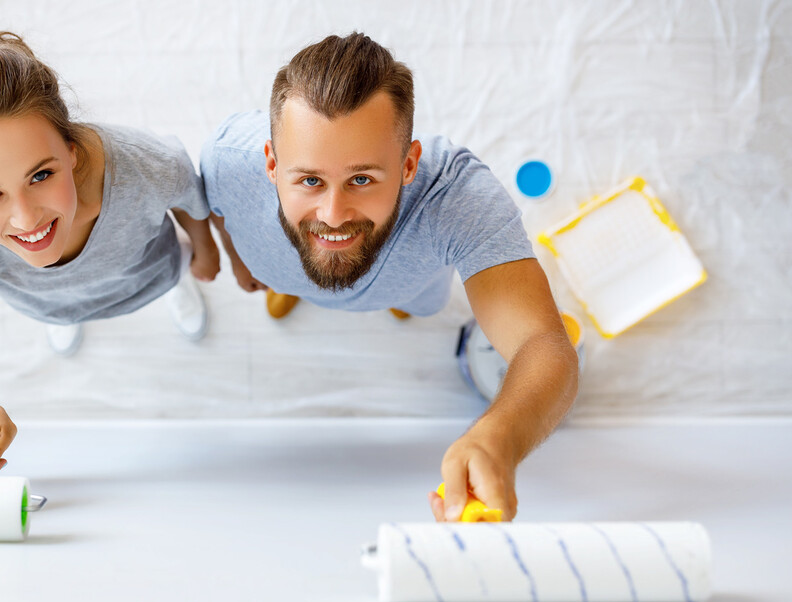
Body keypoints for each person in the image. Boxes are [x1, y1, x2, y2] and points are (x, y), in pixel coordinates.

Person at [200, 33, 578, 521]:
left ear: (408, 164)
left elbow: (544, 344)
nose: (333, 215)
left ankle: (395, 299)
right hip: (279, 273)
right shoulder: (226, 160)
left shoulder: (459, 198)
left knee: (416, 300)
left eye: (361, 180)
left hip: (413, 288)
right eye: (310, 181)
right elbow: (216, 211)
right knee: (297, 271)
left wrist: (498, 436)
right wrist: (238, 258)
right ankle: (293, 286)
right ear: (271, 163)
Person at [0, 31, 220, 475]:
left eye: (40, 175)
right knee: (62, 306)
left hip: (148, 272)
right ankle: (66, 315)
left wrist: (204, 252)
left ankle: (176, 285)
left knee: (175, 272)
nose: (26, 219)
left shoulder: (149, 164)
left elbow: (191, 205)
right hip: (42, 301)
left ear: (71, 152)